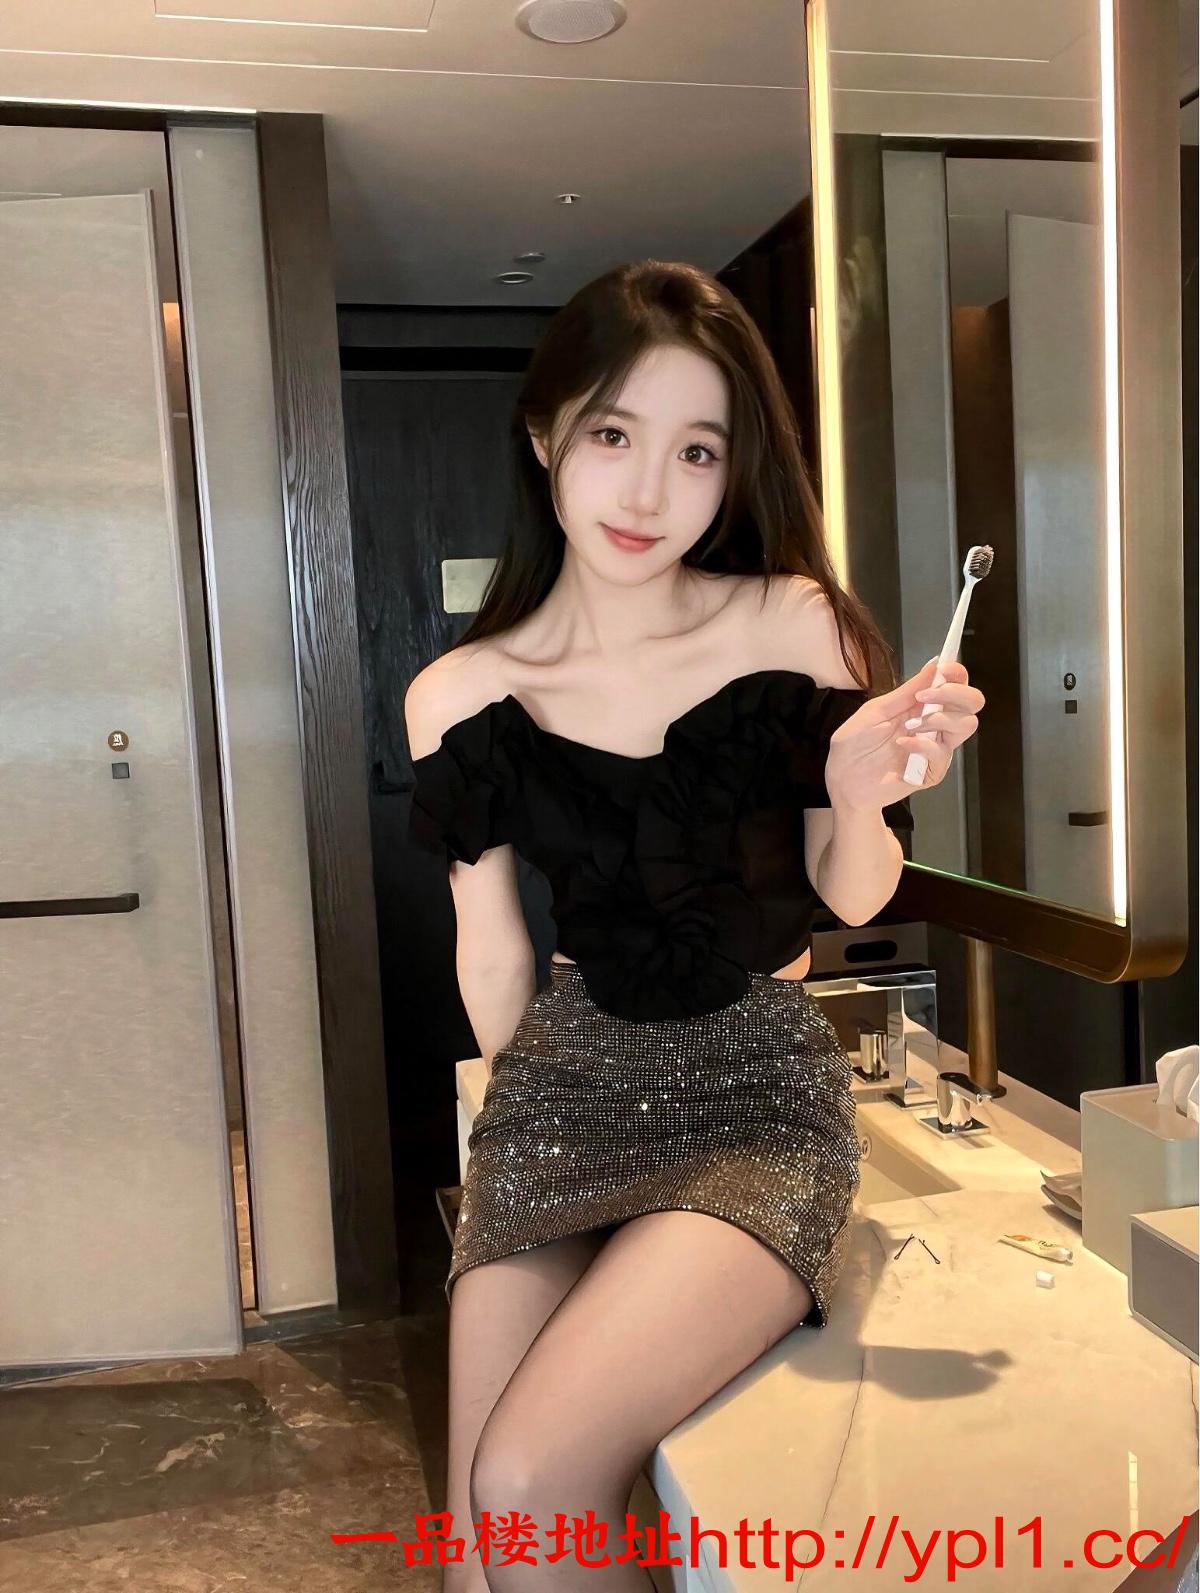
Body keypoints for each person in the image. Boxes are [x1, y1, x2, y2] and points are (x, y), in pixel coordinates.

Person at [404, 259, 984, 1592]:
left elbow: (854, 894)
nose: (648, 492)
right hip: (560, 1093)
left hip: (752, 1092)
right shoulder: (460, 692)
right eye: (613, 435)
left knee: (529, 1475)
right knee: (480, 1557)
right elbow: (492, 951)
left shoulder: (795, 622)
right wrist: (508, 1132)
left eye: (698, 451)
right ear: (545, 435)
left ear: (736, 471)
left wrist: (858, 790)